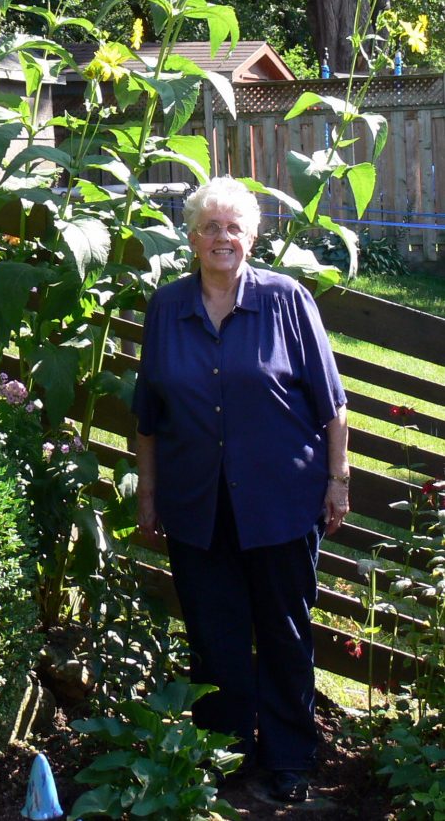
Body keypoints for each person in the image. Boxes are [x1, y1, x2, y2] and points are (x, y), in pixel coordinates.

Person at [132, 176, 349, 804]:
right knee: (214, 633)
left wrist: (337, 481)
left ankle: (289, 758)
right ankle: (222, 756)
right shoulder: (166, 308)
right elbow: (150, 415)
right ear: (192, 237)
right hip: (197, 505)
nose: (221, 237)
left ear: (251, 237)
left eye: (233, 227)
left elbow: (333, 405)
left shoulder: (287, 300)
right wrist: (148, 494)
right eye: (209, 226)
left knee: (284, 629)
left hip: (280, 503)